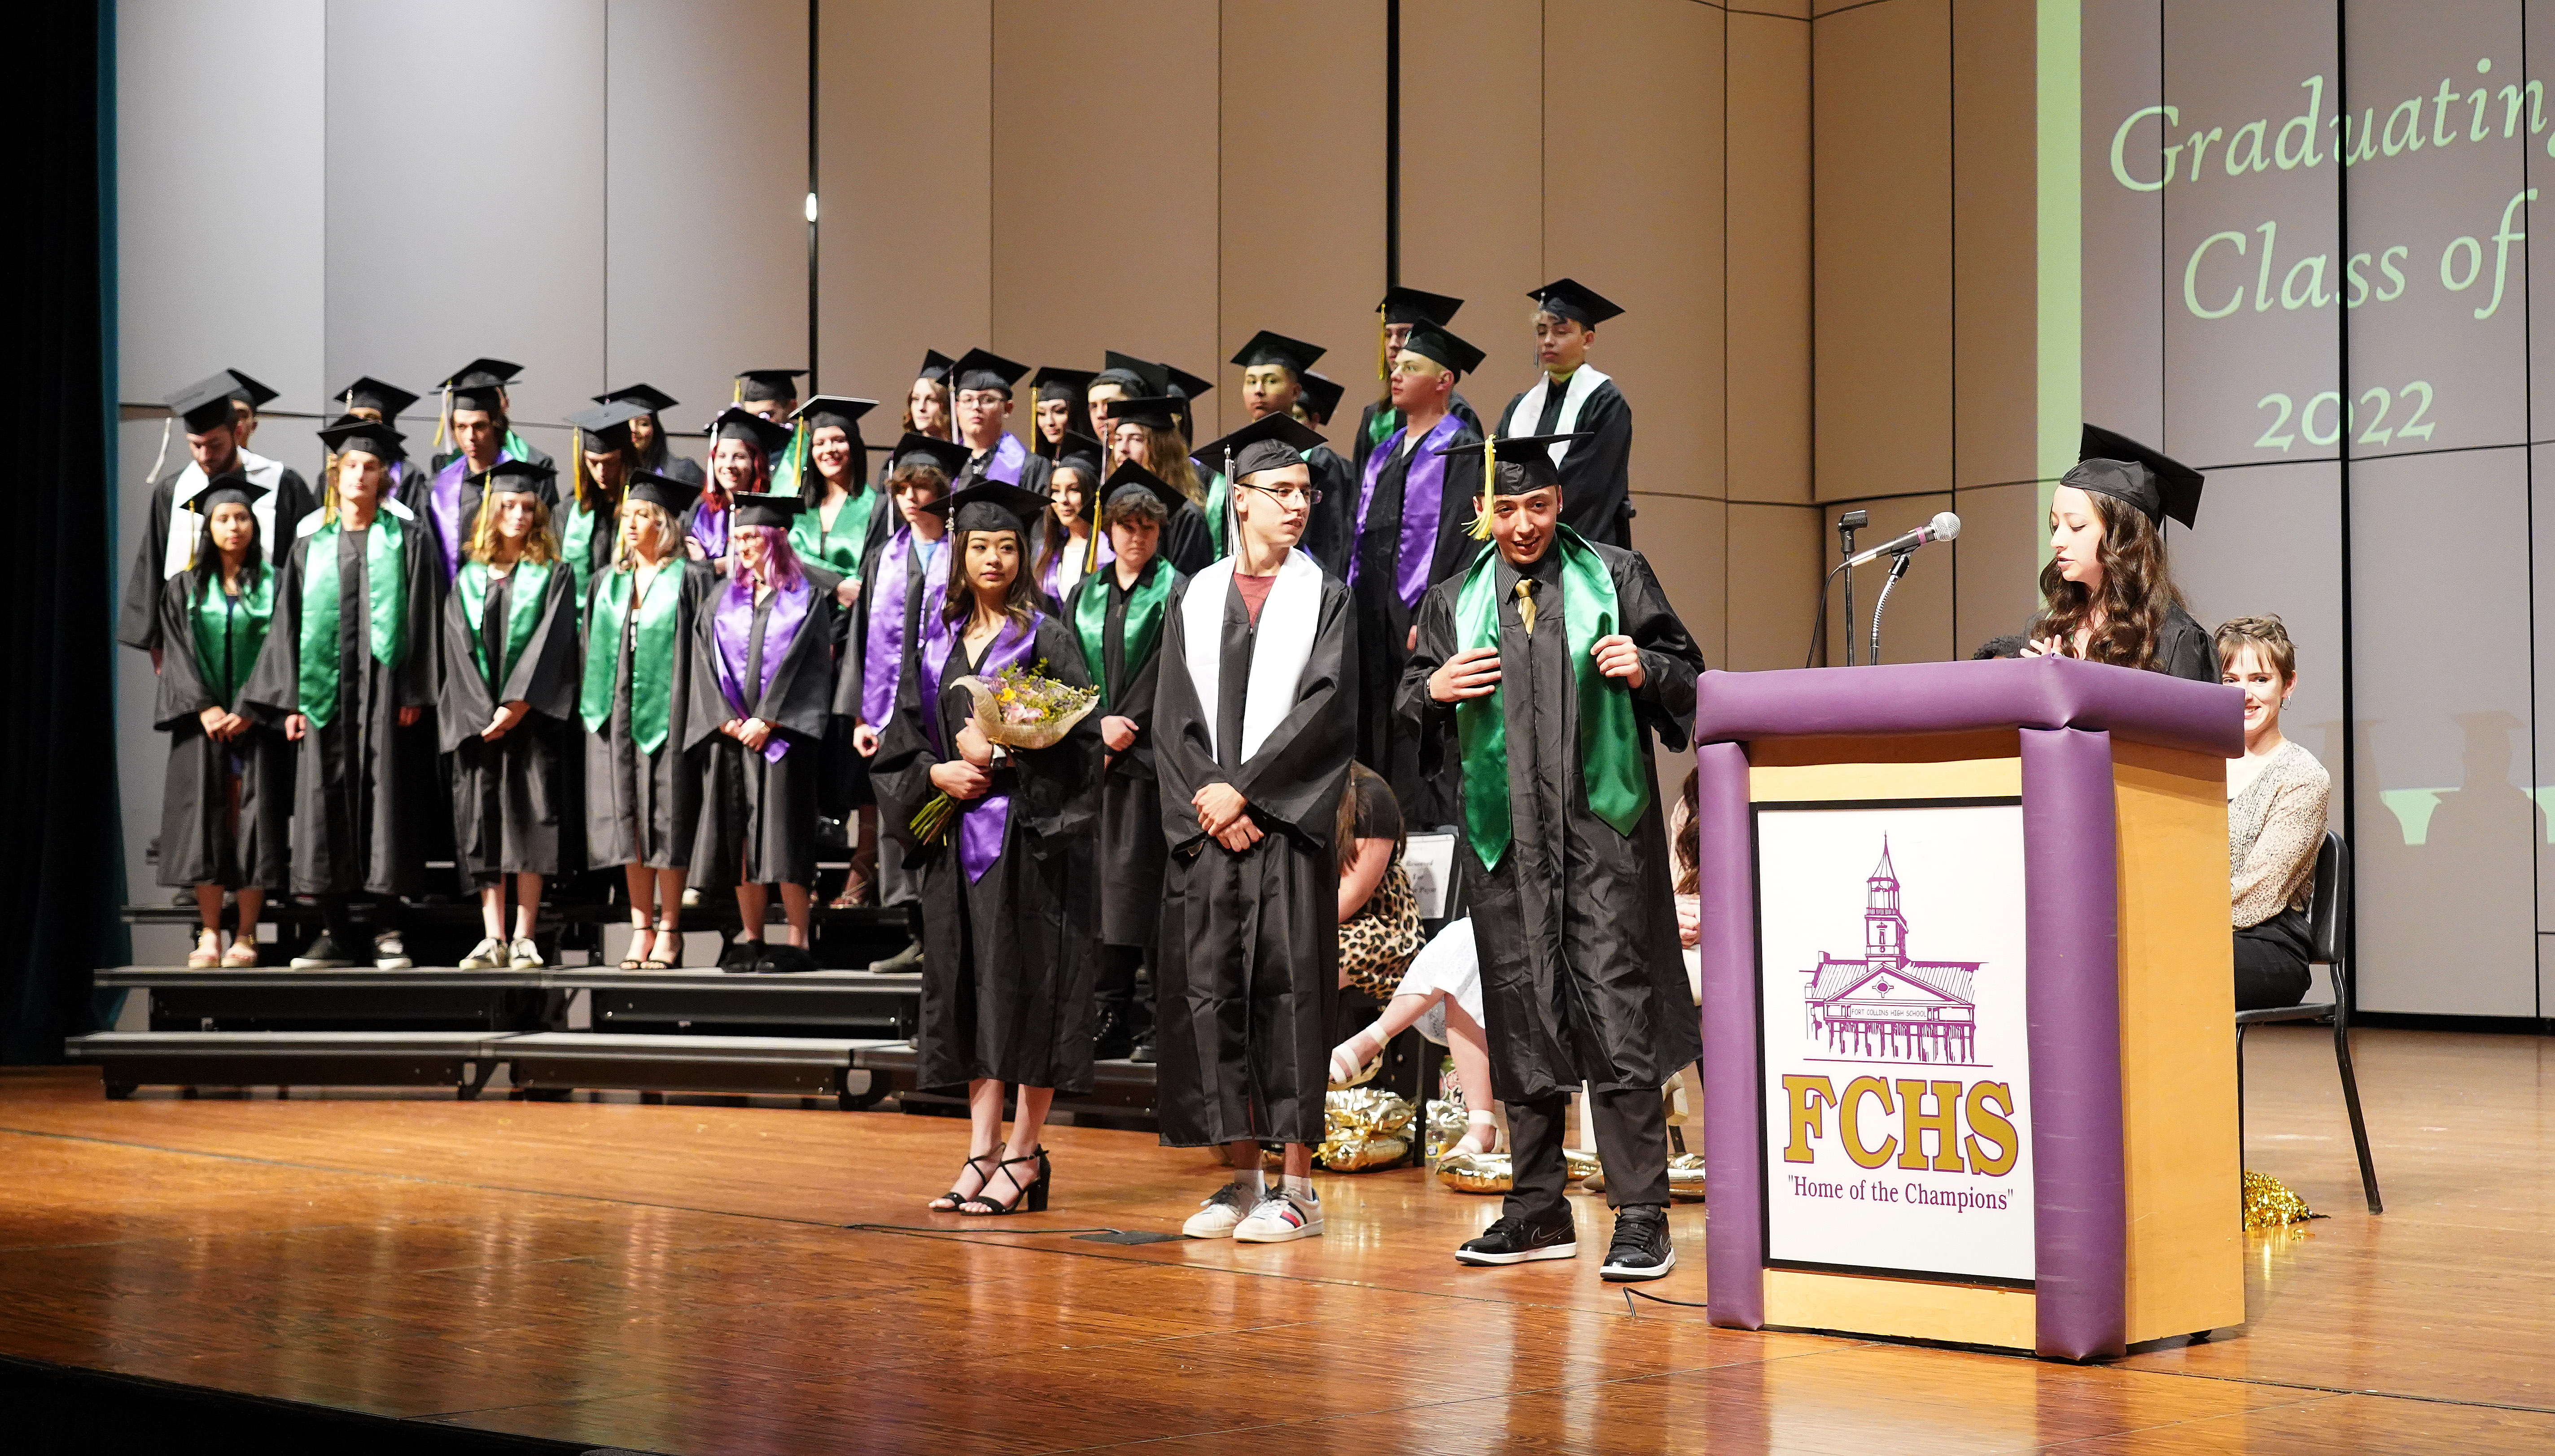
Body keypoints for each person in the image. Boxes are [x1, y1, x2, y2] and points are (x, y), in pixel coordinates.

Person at [1400, 433, 1703, 1280]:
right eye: (1506, 508)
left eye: (1537, 506)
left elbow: (1690, 671)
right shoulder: (1451, 601)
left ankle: (1640, 1213)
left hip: (1602, 837)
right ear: (1479, 513)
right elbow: (1406, 697)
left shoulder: (1614, 577)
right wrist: (1430, 690)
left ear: (1559, 505)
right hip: (1506, 844)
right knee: (1520, 1006)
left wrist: (1645, 667)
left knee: (1615, 1011)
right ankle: (1534, 1211)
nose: (1523, 524)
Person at [1151, 412, 1355, 1245]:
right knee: (1211, 997)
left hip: (1282, 831)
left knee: (1289, 995)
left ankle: (1298, 1189)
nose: (1297, 506)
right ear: (1239, 501)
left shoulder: (1324, 596)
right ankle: (1240, 1179)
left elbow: (1326, 710)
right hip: (1209, 832)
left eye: (1305, 493)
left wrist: (1249, 795)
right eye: (1281, 492)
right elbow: (1171, 715)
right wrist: (1207, 794)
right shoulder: (1195, 595)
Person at [871, 478, 1102, 1216]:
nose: (994, 558)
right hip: (953, 846)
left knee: (1032, 995)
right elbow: (902, 738)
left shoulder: (1047, 636)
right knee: (973, 995)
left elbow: (1081, 745)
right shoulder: (934, 639)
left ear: (1024, 554)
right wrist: (935, 771)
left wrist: (1004, 760)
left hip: (1030, 849)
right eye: (979, 546)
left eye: (1007, 545)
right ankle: (979, 1150)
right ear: (959, 555)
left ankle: (1026, 1154)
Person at [240, 417, 439, 971]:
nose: (360, 475)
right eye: (351, 466)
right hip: (324, 699)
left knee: (385, 802)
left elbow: (425, 617)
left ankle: (387, 928)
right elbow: (288, 626)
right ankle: (333, 932)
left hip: (384, 697)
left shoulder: (408, 541)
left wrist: (417, 690)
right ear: (336, 476)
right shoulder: (311, 547)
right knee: (323, 803)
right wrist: (292, 703)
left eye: (370, 467)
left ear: (383, 478)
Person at [1064, 460, 1190, 1062]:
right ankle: (1108, 1011)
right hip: (1094, 766)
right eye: (1124, 527)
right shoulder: (1081, 595)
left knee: (1144, 890)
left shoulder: (1180, 590)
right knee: (1097, 894)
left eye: (1145, 528)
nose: (1134, 538)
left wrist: (1126, 729)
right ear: (1107, 531)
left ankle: (1163, 1022)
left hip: (1150, 766)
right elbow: (1062, 675)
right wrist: (1094, 727)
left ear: (1159, 532)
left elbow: (1178, 674)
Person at [686, 494, 843, 974]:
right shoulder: (721, 598)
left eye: (752, 537)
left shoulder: (805, 598)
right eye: (738, 538)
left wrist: (770, 718)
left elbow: (811, 667)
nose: (744, 546)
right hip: (734, 738)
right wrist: (724, 717)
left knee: (785, 836)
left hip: (783, 740)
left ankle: (797, 939)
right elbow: (700, 659)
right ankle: (751, 937)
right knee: (739, 839)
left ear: (775, 539)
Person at [436, 462, 582, 971]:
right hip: (479, 725)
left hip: (532, 720)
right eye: (508, 506)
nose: (518, 515)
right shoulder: (468, 578)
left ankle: (525, 935)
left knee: (531, 823)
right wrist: (483, 713)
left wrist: (516, 706)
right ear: (490, 513)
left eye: (527, 507)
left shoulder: (555, 574)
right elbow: (454, 649)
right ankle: (491, 935)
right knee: (483, 825)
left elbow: (554, 643)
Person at [1347, 323, 1492, 831]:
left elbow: (1463, 537)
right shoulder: (1384, 452)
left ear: (1444, 380)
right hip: (1372, 615)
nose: (1397, 373)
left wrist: (1432, 613)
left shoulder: (1464, 446)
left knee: (1421, 731)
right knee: (1378, 728)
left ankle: (1431, 844)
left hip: (1418, 616)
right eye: (1397, 365)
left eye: (1412, 367)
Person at [153, 474, 290, 967]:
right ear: (208, 528)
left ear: (254, 525)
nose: (235, 526)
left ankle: (246, 935)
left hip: (257, 726)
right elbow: (177, 654)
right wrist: (206, 707)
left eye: (243, 517)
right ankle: (209, 933)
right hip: (202, 724)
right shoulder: (183, 588)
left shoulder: (276, 583)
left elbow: (282, 651)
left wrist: (250, 709)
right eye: (224, 518)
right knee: (204, 825)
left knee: (254, 825)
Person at [582, 471, 716, 971]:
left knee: (668, 821)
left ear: (665, 524)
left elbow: (704, 654)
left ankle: (671, 928)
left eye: (643, 516)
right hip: (615, 717)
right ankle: (640, 928)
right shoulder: (607, 581)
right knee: (628, 826)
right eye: (627, 517)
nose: (632, 525)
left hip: (670, 714)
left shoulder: (692, 579)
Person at [843, 434, 967, 967]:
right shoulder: (883, 557)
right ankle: (915, 932)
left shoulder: (962, 552)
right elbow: (859, 636)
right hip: (889, 709)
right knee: (898, 816)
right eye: (904, 490)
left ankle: (947, 936)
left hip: (945, 707)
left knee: (943, 818)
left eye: (924, 489)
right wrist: (860, 715)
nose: (913, 499)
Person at [119, 371, 317, 667]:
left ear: (237, 433)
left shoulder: (282, 483)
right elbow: (154, 562)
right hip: (192, 637)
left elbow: (305, 563)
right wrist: (157, 641)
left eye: (214, 445)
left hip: (266, 634)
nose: (205, 455)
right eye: (195, 445)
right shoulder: (174, 491)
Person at [783, 395, 891, 908]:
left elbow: (877, 577)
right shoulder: (797, 510)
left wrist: (847, 594)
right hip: (802, 647)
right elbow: (786, 564)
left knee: (855, 759)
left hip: (856, 643)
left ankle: (863, 870)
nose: (830, 449)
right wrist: (832, 581)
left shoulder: (877, 506)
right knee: (808, 757)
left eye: (839, 440)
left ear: (855, 447)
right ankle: (801, 872)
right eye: (821, 441)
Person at [2019, 427, 2215, 682]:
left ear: (2123, 537)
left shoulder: (2174, 638)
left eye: (2077, 526)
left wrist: (2068, 688)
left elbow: (2187, 722)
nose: (2057, 541)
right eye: (2056, 526)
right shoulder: (2046, 626)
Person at [2218, 615, 2330, 1011]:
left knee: (2168, 962)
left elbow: (2259, 893)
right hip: (2193, 932)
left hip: (2267, 944)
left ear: (2288, 685)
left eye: (2260, 679)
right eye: (2230, 681)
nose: (2243, 694)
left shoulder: (2303, 776)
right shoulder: (2196, 765)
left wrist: (2176, 920)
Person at [1332, 916, 1502, 1162]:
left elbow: (1348, 898)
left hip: (1380, 930)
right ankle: (1483, 1125)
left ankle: (1372, 1041)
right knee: (1466, 942)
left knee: (1468, 936)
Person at [1494, 280, 1635, 550]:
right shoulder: (1520, 406)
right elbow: (1499, 472)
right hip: (1521, 544)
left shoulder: (1605, 403)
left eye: (1561, 332)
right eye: (1542, 332)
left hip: (1582, 545)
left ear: (1588, 340)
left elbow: (1587, 488)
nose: (1548, 341)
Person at [419, 359, 556, 587]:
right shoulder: (438, 488)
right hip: (456, 604)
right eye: (461, 427)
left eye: (479, 426)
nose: (470, 436)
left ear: (496, 425)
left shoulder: (526, 479)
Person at [1231, 330, 1356, 573]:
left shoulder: (1320, 462)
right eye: (1251, 381)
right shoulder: (1231, 457)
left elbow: (1332, 544)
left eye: (1271, 381)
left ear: (1296, 392)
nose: (1259, 390)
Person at [1354, 286, 1479, 475]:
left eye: (1405, 334)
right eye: (1388, 335)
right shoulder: (1376, 416)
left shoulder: (1457, 413)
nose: (1394, 344)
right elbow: (1359, 487)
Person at [1103, 394, 1217, 575]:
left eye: (1136, 439)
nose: (1123, 448)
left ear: (1162, 449)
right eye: (1118, 439)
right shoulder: (1104, 508)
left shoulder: (1185, 517)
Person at [560, 399, 648, 605]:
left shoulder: (645, 508)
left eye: (609, 463)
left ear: (625, 458)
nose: (601, 472)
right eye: (593, 463)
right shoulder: (569, 511)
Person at [688, 407, 793, 568]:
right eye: (722, 456)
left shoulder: (771, 512)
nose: (729, 465)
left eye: (739, 457)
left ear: (756, 464)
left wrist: (709, 566)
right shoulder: (701, 509)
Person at [945, 348, 1050, 497]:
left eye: (988, 400)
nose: (976, 407)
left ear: (1008, 408)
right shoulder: (943, 465)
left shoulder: (1033, 467)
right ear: (957, 408)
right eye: (968, 400)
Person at [1031, 432, 1109, 606]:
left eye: (1074, 490)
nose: (1063, 500)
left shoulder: (1108, 551)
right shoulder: (1045, 550)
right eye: (1055, 491)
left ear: (1092, 494)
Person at [594, 383, 704, 486]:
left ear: (655, 430)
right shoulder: (606, 476)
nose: (633, 430)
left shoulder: (683, 472)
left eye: (643, 424)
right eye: (625, 424)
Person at [882, 350, 956, 487]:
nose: (921, 407)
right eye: (916, 399)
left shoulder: (963, 456)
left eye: (931, 400)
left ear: (947, 406)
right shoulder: (898, 459)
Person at [1028, 366, 1096, 460]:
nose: (1050, 422)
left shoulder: (1087, 463)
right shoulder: (1042, 463)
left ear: (1076, 414)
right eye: (1041, 413)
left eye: (1059, 412)